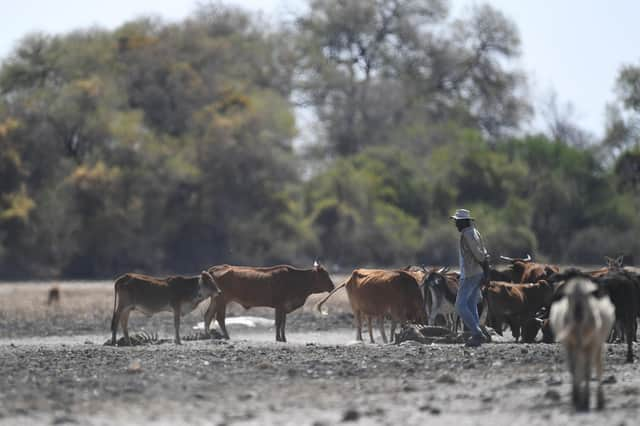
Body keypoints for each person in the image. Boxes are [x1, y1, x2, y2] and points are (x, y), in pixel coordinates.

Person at [450, 209, 490, 347]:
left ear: (464, 222)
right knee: (472, 304)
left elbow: (479, 255)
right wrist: (486, 270)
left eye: (457, 221)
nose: (456, 224)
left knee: (460, 306)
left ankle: (477, 333)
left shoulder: (467, 235)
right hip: (476, 273)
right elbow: (484, 252)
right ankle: (477, 334)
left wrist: (485, 266)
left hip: (470, 274)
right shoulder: (475, 232)